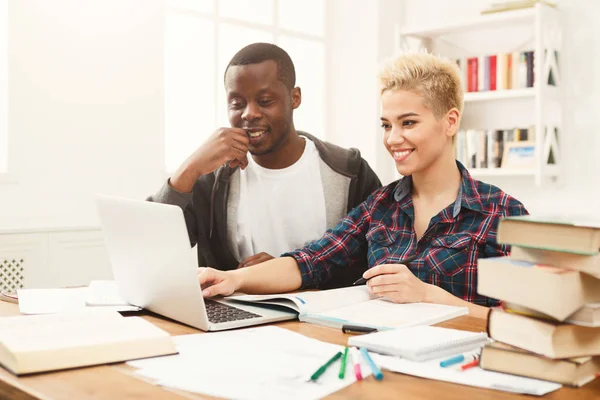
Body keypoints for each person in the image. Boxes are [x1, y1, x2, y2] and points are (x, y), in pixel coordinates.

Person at [196, 52, 529, 318]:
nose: (393, 138)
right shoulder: (380, 206)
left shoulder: (502, 213)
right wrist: (233, 279)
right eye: (386, 124)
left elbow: (527, 326)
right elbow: (311, 261)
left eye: (408, 122)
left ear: (450, 121)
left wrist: (430, 296)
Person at [149, 43, 381, 288]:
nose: (249, 114)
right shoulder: (211, 179)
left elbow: (376, 263)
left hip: (323, 323)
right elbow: (152, 249)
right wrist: (190, 168)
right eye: (237, 103)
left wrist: (282, 274)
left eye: (265, 100)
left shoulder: (349, 172)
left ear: (295, 97)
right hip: (235, 322)